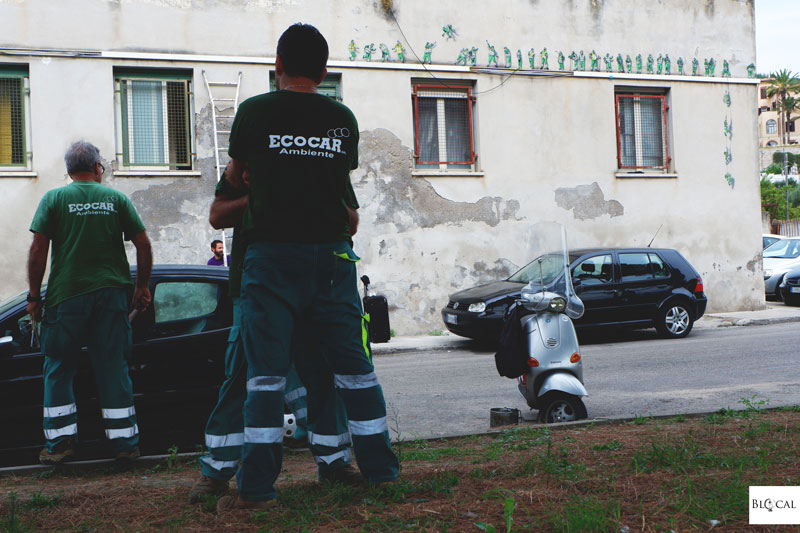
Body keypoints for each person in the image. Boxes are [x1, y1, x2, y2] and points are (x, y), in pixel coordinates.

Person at [218, 23, 398, 510]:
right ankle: (382, 473)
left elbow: (234, 178)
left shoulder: (253, 111)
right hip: (332, 259)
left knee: (265, 379)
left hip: (271, 258)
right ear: (323, 70)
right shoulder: (342, 118)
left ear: (277, 65)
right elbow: (340, 192)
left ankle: (256, 489)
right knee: (356, 374)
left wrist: (254, 177)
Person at [188, 170, 360, 503]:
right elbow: (217, 215)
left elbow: (350, 222)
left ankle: (335, 462)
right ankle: (217, 473)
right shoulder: (251, 153)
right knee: (243, 378)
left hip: (317, 283)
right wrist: (270, 195)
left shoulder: (321, 150)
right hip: (257, 285)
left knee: (322, 374)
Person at [26, 141, 152, 465]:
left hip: (66, 296)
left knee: (58, 368)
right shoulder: (116, 199)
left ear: (68, 171)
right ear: (98, 167)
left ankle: (60, 445)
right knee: (113, 368)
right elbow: (143, 244)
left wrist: (34, 296)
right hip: (112, 295)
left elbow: (38, 250)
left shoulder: (54, 199)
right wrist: (141, 287)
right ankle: (125, 444)